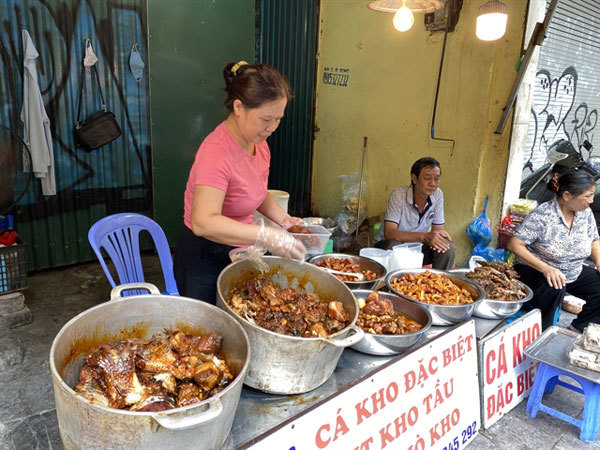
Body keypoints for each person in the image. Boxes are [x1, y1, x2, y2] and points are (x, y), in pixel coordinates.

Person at [174, 61, 306, 304]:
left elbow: (255, 192)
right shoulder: (216, 152)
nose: (273, 127)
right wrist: (266, 236)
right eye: (266, 118)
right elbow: (203, 222)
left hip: (239, 252)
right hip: (204, 256)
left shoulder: (260, 144)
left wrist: (284, 221)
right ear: (238, 107)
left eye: (278, 119)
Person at [507, 169, 600, 331]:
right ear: (567, 196)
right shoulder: (543, 215)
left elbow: (594, 240)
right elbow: (514, 245)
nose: (591, 200)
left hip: (572, 271)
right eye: (587, 196)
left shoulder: (585, 213)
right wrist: (546, 268)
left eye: (593, 195)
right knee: (555, 286)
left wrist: (599, 263)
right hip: (535, 269)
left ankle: (578, 329)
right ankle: (544, 331)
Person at [374, 157, 455, 270]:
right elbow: (390, 233)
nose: (433, 183)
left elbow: (438, 231)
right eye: (427, 178)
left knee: (447, 246)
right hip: (389, 245)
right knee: (394, 246)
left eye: (436, 179)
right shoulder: (399, 195)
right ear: (414, 178)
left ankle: (438, 282)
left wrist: (438, 237)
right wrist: (425, 236)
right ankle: (395, 284)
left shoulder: (438, 195)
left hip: (417, 247)